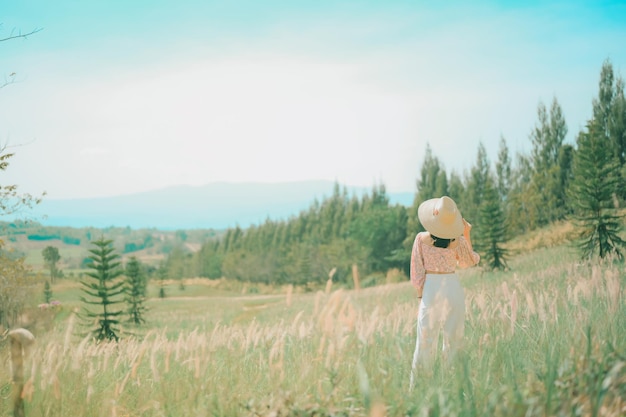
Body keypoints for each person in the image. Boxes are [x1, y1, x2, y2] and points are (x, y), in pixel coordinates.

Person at [409, 196, 479, 387]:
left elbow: (416, 271)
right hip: (452, 287)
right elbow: (470, 261)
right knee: (454, 340)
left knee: (424, 341)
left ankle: (418, 388)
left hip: (431, 288)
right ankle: (452, 386)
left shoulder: (420, 239)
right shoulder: (457, 241)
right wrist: (467, 234)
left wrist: (420, 295)